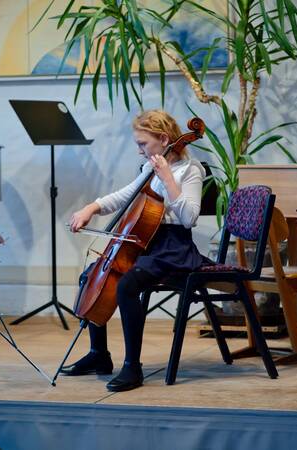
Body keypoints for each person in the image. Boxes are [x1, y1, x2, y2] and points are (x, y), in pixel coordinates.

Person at [61, 110, 207, 392]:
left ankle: (132, 367)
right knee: (91, 275)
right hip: (146, 246)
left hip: (172, 250)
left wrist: (167, 178)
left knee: (127, 285)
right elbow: (124, 196)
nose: (139, 150)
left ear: (164, 139)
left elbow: (189, 217)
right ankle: (98, 355)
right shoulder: (147, 168)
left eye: (143, 144)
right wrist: (91, 207)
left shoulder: (190, 171)